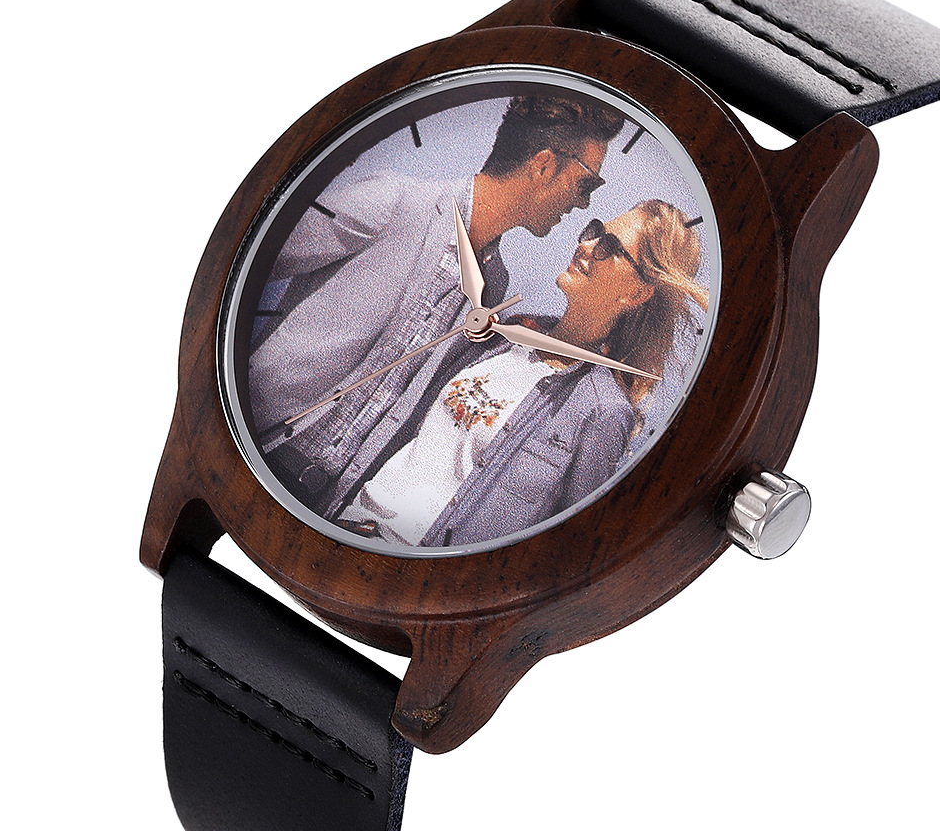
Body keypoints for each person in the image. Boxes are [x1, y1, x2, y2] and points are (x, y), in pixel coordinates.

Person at [250, 95, 625, 498]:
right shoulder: (396, 202)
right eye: (587, 183)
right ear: (544, 165)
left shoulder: (493, 285)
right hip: (254, 445)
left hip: (325, 502)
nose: (584, 202)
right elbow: (246, 255)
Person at [322, 200, 710, 548]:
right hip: (348, 523)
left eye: (609, 245)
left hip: (413, 567)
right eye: (594, 231)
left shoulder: (604, 411)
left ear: (637, 293)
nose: (586, 245)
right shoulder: (504, 334)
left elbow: (568, 547)